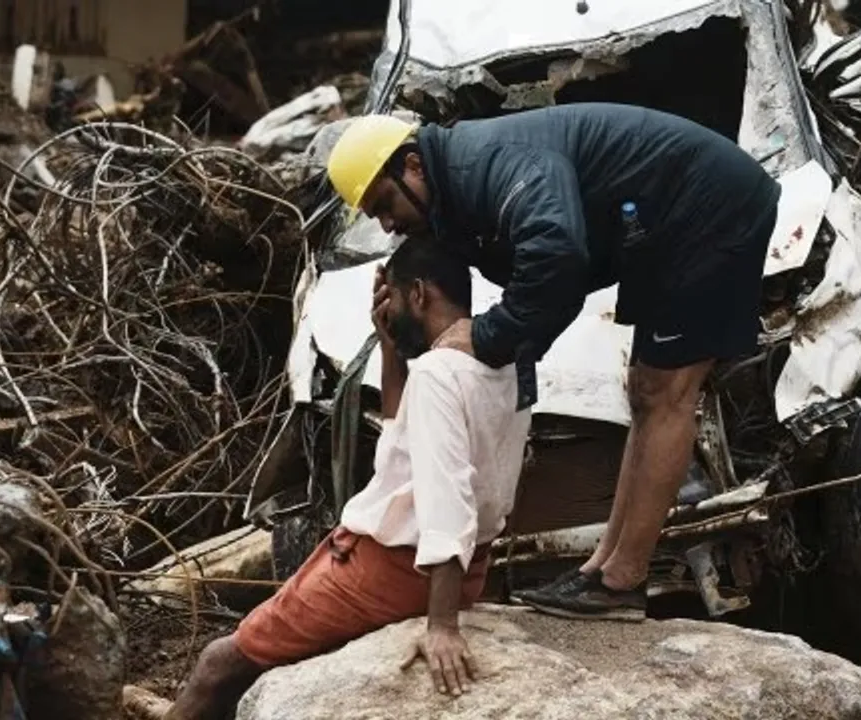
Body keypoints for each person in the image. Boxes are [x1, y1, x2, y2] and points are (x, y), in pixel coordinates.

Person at [325, 102, 780, 622]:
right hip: (657, 226)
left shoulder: (486, 165)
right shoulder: (451, 195)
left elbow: (557, 256)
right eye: (376, 218)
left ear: (412, 165)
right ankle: (601, 570)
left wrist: (492, 336)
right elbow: (476, 299)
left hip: (707, 206)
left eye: (386, 204)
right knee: (644, 392)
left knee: (668, 392)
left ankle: (622, 581)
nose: (389, 225)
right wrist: (400, 326)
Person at [163, 240, 532, 719]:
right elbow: (407, 441)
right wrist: (390, 347)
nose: (387, 309)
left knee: (219, 663)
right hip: (459, 570)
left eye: (392, 299)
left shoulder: (439, 374)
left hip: (391, 571)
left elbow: (447, 501)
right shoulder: (505, 362)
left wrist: (441, 625)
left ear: (418, 294)